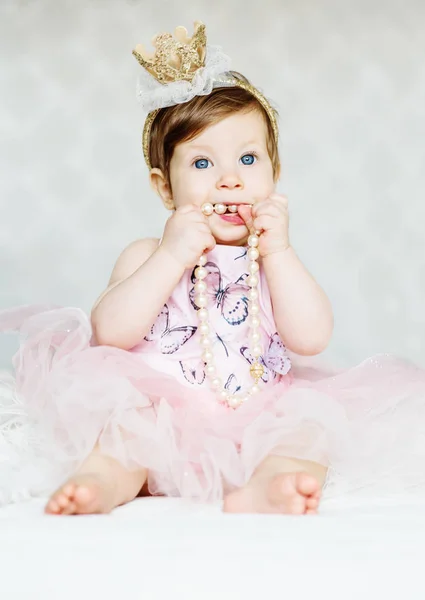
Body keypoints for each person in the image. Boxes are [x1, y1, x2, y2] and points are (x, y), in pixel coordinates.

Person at [1, 21, 425, 516]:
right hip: (160, 418)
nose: (229, 180)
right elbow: (109, 332)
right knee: (123, 432)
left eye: (248, 159)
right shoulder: (147, 254)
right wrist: (170, 256)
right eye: (202, 165)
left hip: (258, 417)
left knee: (312, 428)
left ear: (274, 173)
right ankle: (102, 480)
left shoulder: (272, 261)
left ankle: (272, 485)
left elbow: (312, 338)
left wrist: (281, 253)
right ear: (164, 188)